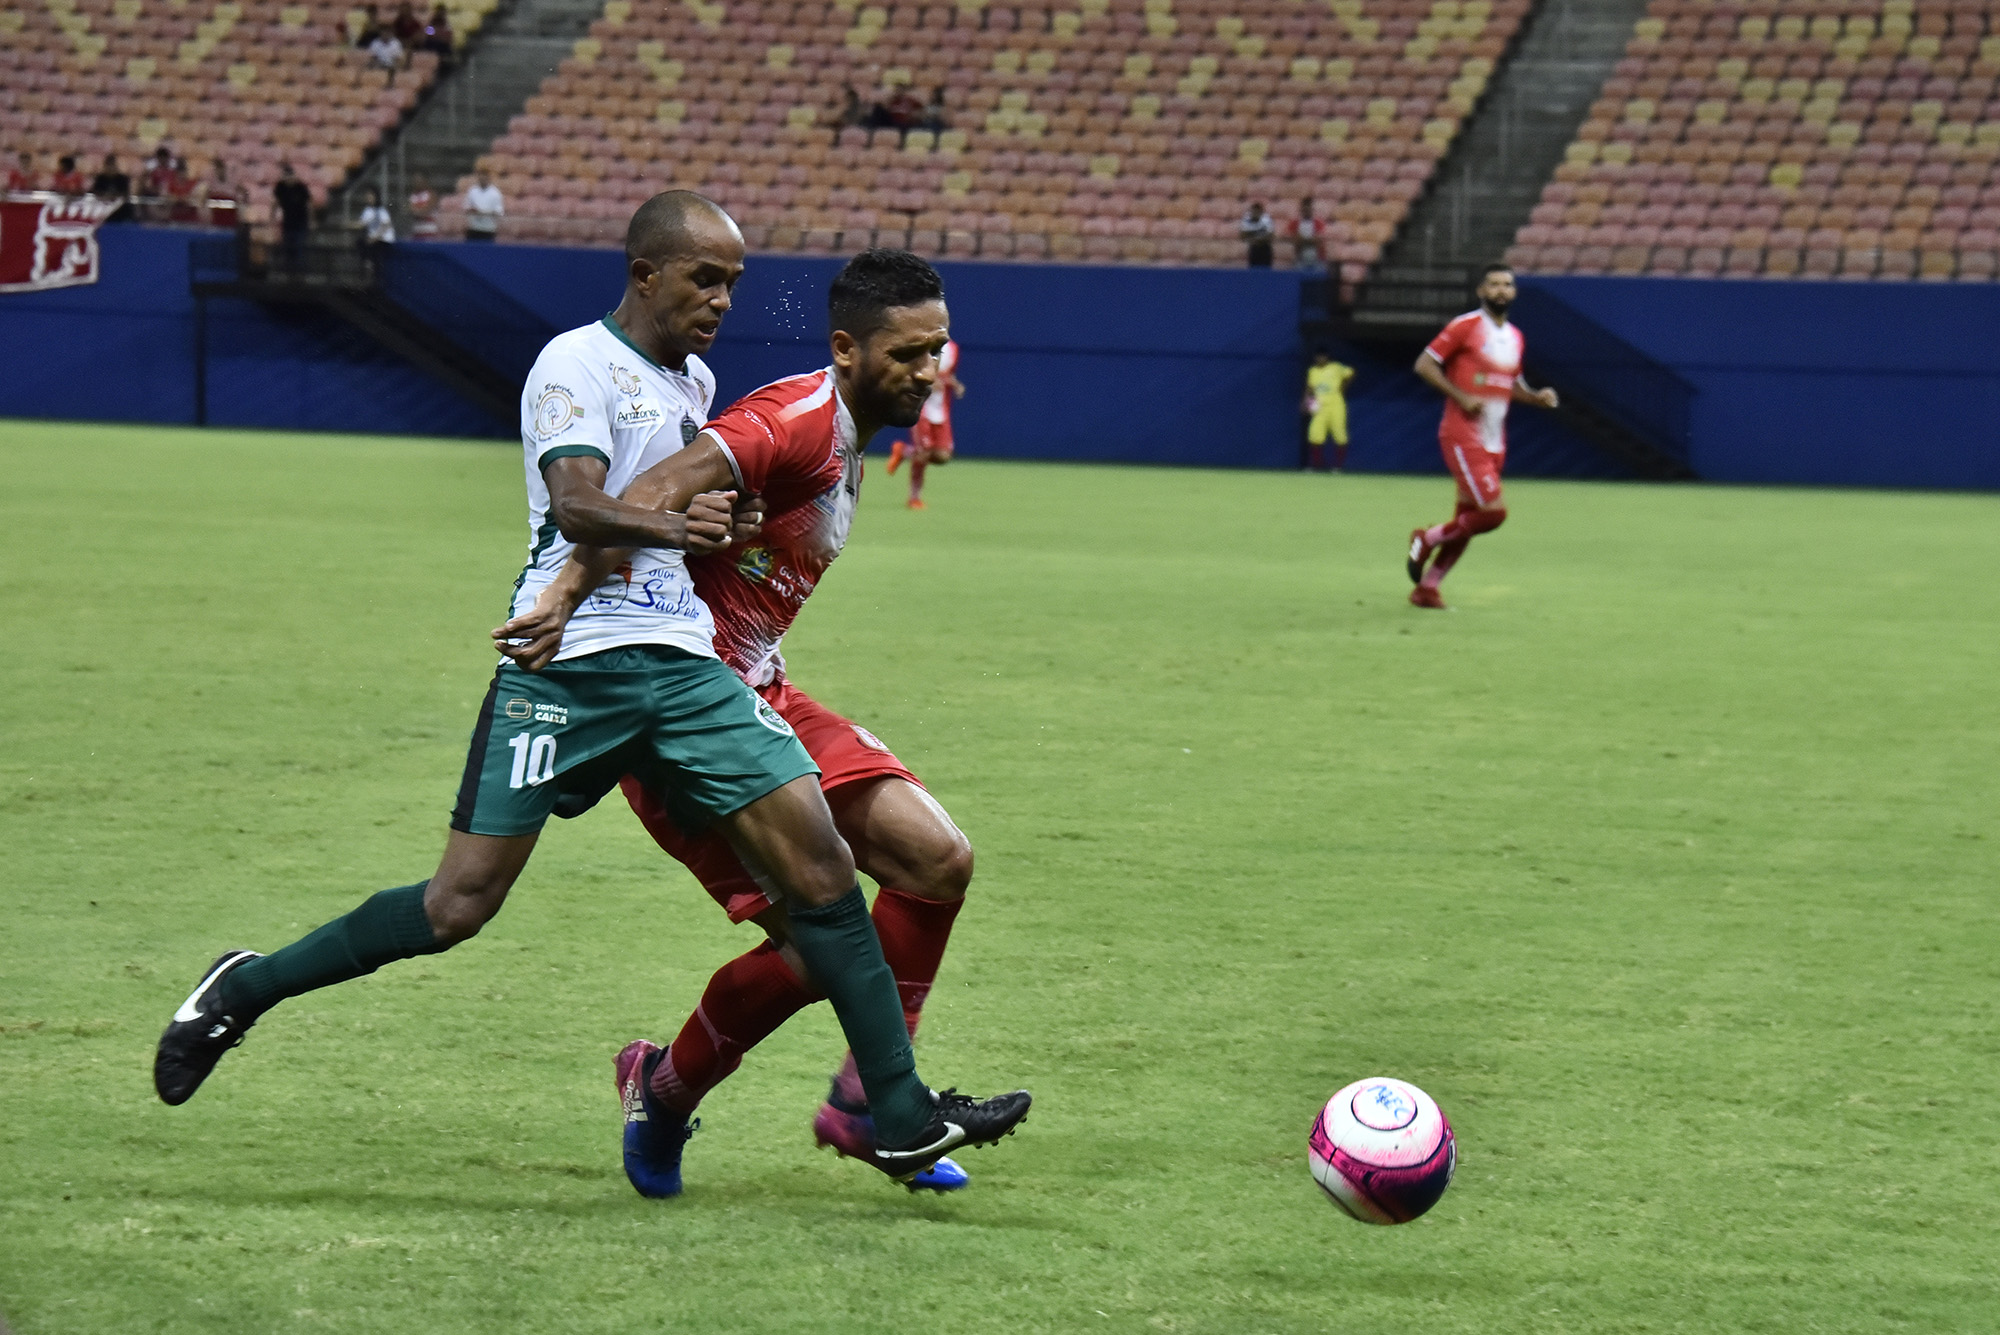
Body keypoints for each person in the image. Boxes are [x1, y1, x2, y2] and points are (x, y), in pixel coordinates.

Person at [154, 196, 1031, 1192]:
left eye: (734, 282)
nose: (722, 301)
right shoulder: (576, 363)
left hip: (688, 666)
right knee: (456, 905)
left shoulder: (693, 381)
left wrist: (717, 515)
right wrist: (578, 583)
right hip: (568, 670)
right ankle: (247, 987)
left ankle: (889, 1113)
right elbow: (585, 504)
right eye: (705, 278)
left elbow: (682, 499)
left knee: (828, 888)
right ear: (645, 272)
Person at [497, 250, 1011, 1197]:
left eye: (938, 348)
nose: (929, 370)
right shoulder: (790, 420)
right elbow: (649, 491)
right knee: (821, 945)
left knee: (938, 860)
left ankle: (866, 1104)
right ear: (848, 347)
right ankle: (665, 1088)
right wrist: (566, 588)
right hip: (682, 720)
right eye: (910, 352)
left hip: (760, 692)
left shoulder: (848, 427)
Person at [1405, 264, 1559, 609]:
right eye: (1494, 284)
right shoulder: (1466, 326)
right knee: (1492, 513)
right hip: (1463, 434)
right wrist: (1460, 396)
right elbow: (1424, 364)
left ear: (1515, 292)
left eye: (1508, 285)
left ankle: (1427, 589)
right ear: (1481, 291)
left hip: (1494, 440)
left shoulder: (1515, 336)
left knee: (1468, 520)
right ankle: (1426, 538)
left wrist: (1536, 397)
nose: (1502, 290)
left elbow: (1510, 385)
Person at [885, 335, 960, 508]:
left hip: (940, 409)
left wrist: (954, 384)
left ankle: (903, 451)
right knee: (923, 452)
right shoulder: (922, 346)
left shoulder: (953, 349)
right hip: (921, 406)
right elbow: (910, 371)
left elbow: (947, 375)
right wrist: (928, 384)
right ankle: (914, 498)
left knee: (942, 456)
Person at [1302, 347, 1354, 472]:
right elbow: (1310, 388)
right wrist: (1305, 401)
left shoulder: (1335, 367)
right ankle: (1316, 465)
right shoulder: (1313, 371)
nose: (1321, 359)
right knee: (1315, 435)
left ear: (1327, 357)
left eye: (1323, 356)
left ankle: (1338, 467)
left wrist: (1343, 388)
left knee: (1339, 435)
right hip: (1319, 406)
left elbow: (1351, 373)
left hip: (1336, 405)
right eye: (1318, 356)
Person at [272, 162, 312, 268]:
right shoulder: (281, 187)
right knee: (287, 247)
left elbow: (308, 205)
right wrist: (271, 217)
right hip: (288, 221)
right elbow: (275, 203)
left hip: (301, 221)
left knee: (299, 247)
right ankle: (288, 270)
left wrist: (312, 220)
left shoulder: (301, 187)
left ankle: (299, 271)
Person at [358, 185, 395, 270]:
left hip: (382, 238)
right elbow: (362, 223)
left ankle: (372, 267)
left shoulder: (381, 210)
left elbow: (386, 225)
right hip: (373, 238)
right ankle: (366, 264)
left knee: (374, 248)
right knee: (360, 242)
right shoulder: (367, 210)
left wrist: (376, 237)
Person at [90, 153, 132, 221]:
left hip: (120, 207)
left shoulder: (122, 178)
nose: (111, 168)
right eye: (108, 166)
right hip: (104, 205)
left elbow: (125, 194)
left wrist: (114, 198)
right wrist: (105, 197)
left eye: (112, 165)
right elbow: (96, 192)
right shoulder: (100, 178)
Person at [463, 169, 503, 242]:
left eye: (485, 177)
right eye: (481, 176)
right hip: (474, 228)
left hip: (488, 229)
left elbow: (499, 212)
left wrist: (484, 213)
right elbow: (466, 208)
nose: (483, 179)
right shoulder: (472, 191)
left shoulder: (495, 193)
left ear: (488, 178)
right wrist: (473, 210)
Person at [204, 160, 242, 227]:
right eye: (217, 169)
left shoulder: (232, 179)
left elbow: (239, 191)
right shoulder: (211, 181)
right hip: (216, 206)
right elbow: (207, 194)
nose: (219, 171)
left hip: (230, 206)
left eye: (221, 169)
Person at [1291, 197, 1325, 271]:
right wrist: (1311, 240)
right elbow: (1295, 240)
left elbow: (1318, 241)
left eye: (1308, 209)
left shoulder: (1318, 223)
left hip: (1317, 260)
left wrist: (1303, 240)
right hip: (1300, 259)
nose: (1307, 211)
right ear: (1301, 209)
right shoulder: (1295, 223)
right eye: (1305, 209)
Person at [1239, 201, 1274, 268]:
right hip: (1254, 248)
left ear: (1261, 212)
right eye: (1254, 211)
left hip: (1265, 248)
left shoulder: (1266, 219)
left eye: (1257, 211)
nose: (1255, 213)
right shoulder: (1246, 219)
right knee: (1253, 269)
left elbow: (1270, 236)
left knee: (1266, 270)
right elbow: (1242, 235)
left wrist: (1254, 238)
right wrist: (1257, 238)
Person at [406, 173, 440, 239]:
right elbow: (409, 209)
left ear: (425, 181)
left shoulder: (431, 194)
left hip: (430, 230)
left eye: (419, 180)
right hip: (417, 229)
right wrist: (418, 211)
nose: (417, 183)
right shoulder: (413, 196)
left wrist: (417, 211)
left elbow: (427, 210)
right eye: (415, 181)